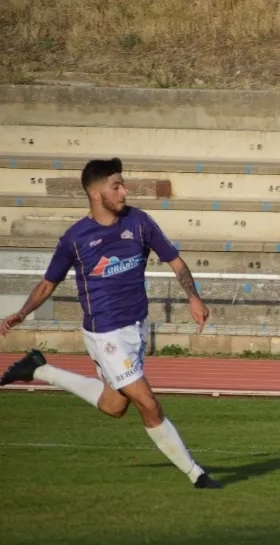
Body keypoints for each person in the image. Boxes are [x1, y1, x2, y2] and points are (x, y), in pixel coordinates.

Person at [0, 158, 221, 489]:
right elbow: (48, 284)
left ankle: (39, 370)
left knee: (114, 406)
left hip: (135, 328)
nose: (124, 191)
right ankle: (195, 474)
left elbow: (175, 261)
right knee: (148, 403)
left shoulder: (140, 222)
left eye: (123, 184)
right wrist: (21, 312)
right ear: (95, 192)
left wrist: (193, 296)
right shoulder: (75, 238)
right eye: (116, 186)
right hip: (105, 333)